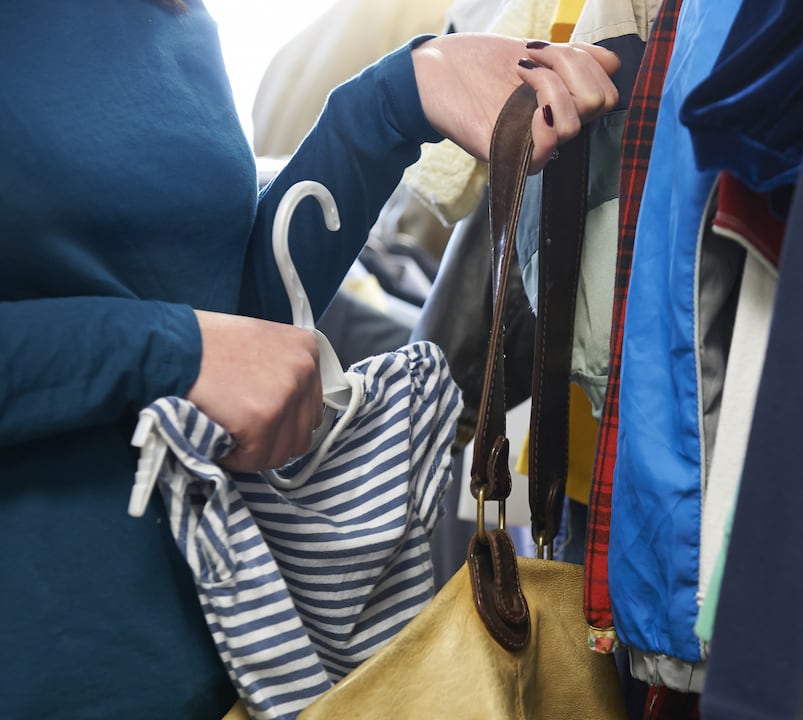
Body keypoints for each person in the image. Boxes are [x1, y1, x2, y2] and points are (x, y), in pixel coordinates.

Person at [0, 1, 619, 716]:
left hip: (232, 655)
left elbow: (236, 337)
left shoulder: (169, 21)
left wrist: (394, 103)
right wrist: (169, 351)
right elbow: (192, 347)